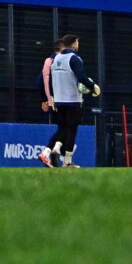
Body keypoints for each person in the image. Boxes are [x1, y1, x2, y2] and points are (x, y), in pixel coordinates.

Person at [39, 32, 95, 167]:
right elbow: (81, 78)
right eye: (78, 42)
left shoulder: (55, 59)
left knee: (62, 128)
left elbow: (47, 80)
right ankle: (67, 161)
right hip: (72, 100)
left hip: (58, 100)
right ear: (74, 43)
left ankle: (48, 152)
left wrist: (49, 97)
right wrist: (93, 87)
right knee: (71, 130)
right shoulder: (74, 58)